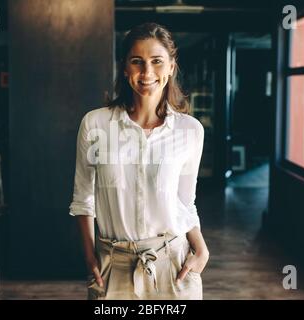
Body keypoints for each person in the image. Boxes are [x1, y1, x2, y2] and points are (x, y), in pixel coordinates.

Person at [69, 22, 209, 300]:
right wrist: (91, 258)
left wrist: (202, 250)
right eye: (137, 62)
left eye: (157, 61)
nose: (147, 72)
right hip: (113, 264)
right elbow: (83, 199)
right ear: (124, 67)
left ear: (171, 66)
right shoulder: (96, 124)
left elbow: (184, 202)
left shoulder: (190, 130)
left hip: (174, 263)